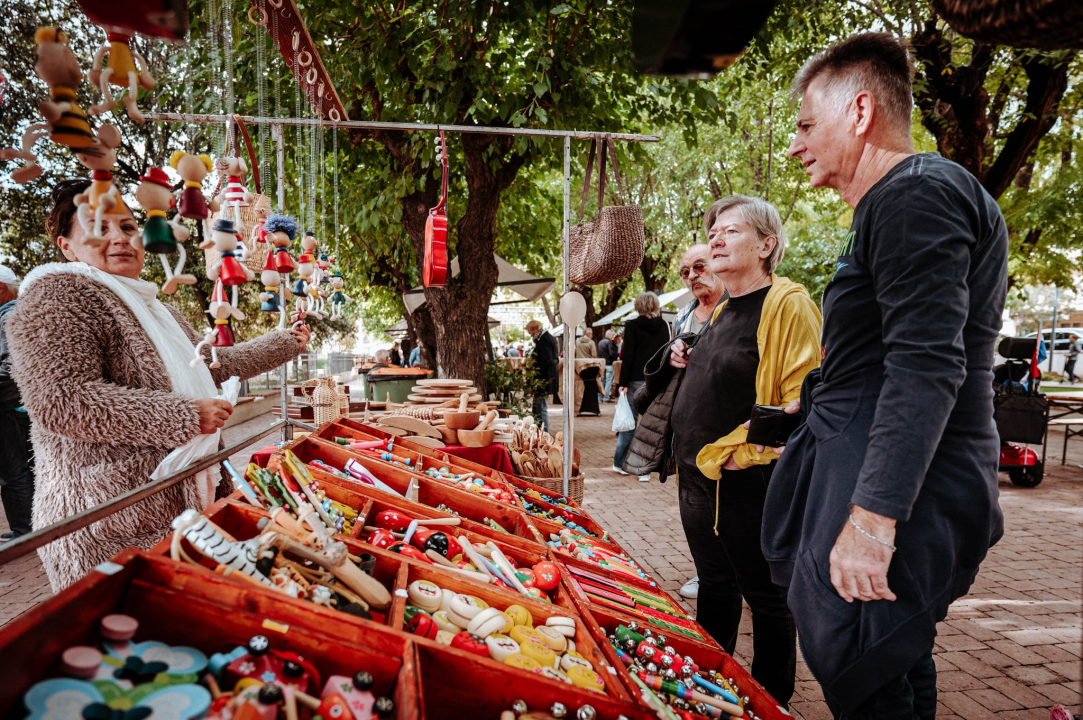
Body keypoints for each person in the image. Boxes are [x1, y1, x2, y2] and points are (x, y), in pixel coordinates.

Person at [764, 33, 1008, 718]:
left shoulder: (913, 195)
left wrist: (871, 524)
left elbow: (925, 365)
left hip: (899, 488)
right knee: (893, 662)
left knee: (864, 668)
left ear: (860, 111)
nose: (793, 144)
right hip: (877, 468)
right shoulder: (901, 199)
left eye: (806, 124)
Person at [7, 178, 310, 591]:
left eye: (129, 227)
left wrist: (284, 343)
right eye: (99, 228)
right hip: (107, 518)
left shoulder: (156, 308)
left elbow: (214, 365)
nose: (119, 238)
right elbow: (60, 400)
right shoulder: (57, 294)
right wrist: (185, 416)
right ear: (66, 246)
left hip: (175, 500)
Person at [665, 195, 821, 706]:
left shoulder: (788, 302)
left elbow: (801, 402)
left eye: (729, 231)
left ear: (766, 244)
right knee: (714, 585)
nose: (715, 239)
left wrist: (740, 456)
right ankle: (714, 691)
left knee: (768, 599)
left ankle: (769, 701)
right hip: (699, 479)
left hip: (745, 478)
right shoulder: (724, 307)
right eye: (713, 232)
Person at [673, 243, 727, 601]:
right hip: (688, 448)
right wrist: (674, 351)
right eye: (685, 271)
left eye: (699, 266)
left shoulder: (736, 311)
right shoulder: (684, 316)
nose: (692, 275)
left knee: (735, 533)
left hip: (729, 446)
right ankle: (705, 573)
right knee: (702, 534)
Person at [612, 292, 670, 480]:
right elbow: (666, 354)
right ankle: (645, 470)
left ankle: (620, 463)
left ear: (638, 306)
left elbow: (627, 355)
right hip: (657, 380)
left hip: (636, 379)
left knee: (629, 422)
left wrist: (622, 383)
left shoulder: (632, 326)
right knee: (651, 425)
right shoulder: (663, 325)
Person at [0, 266, 34, 541]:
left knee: (13, 472)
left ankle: (25, 532)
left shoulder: (10, 314)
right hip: (16, 405)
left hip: (8, 405)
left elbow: (13, 365)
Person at [526, 319, 558, 432]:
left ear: (535, 329)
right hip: (547, 378)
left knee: (541, 408)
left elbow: (546, 360)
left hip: (545, 378)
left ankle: (545, 433)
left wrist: (534, 363)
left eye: (530, 332)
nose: (530, 335)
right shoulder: (547, 338)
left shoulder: (543, 340)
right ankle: (542, 432)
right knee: (539, 406)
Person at [598, 330, 618, 402]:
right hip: (609, 364)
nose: (613, 337)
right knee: (608, 382)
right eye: (612, 335)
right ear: (609, 335)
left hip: (602, 364)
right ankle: (606, 398)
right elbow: (611, 353)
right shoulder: (609, 342)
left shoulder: (600, 342)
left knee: (601, 381)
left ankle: (600, 397)